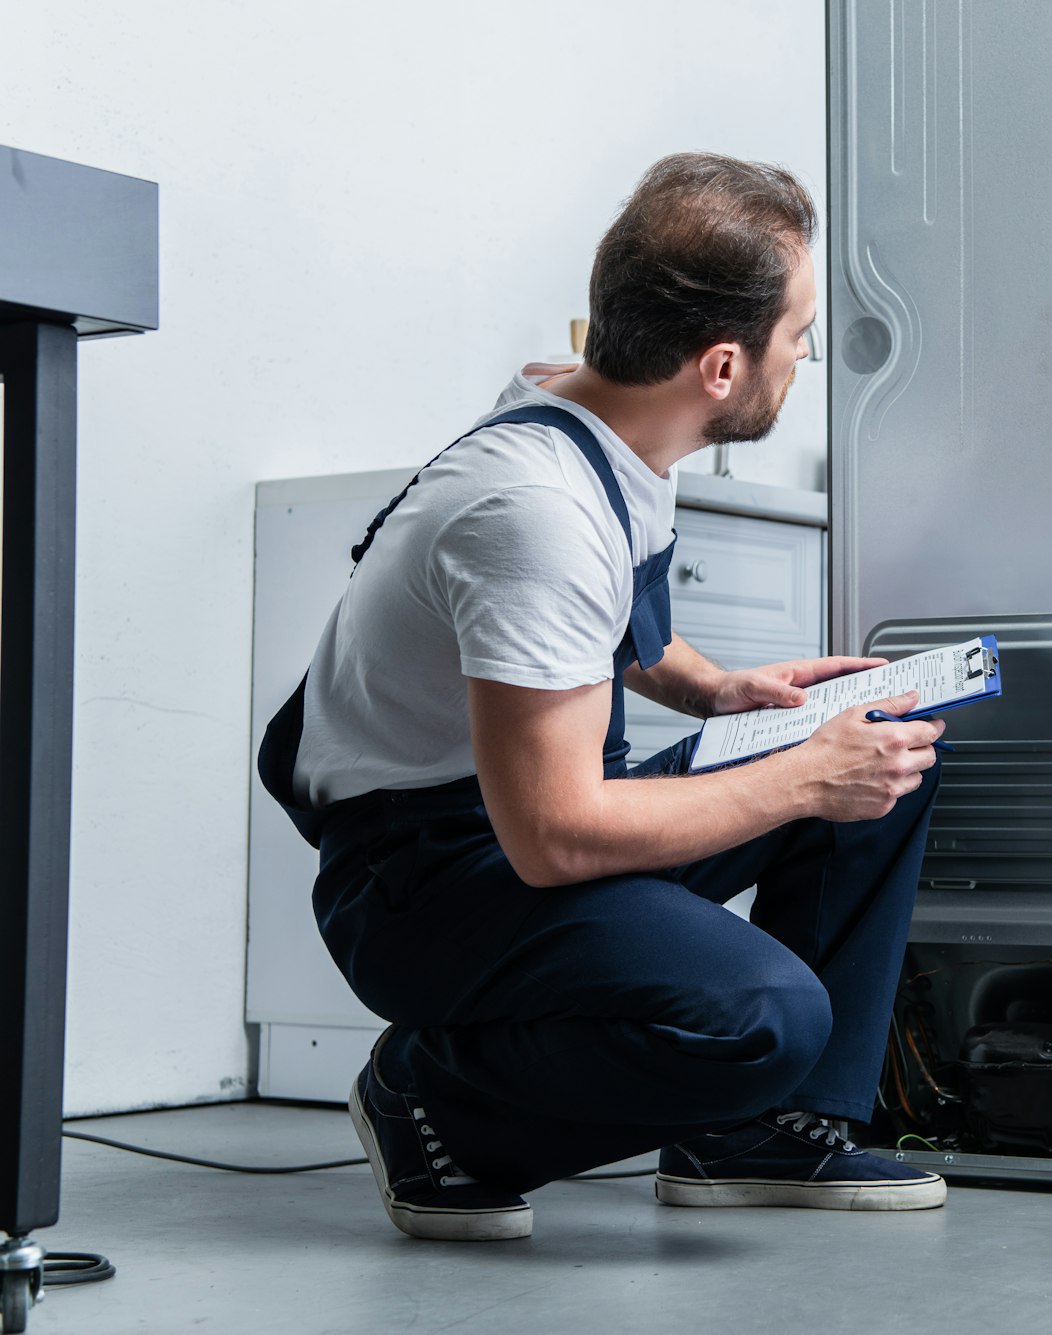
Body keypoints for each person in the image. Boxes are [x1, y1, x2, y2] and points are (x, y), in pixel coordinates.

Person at [256, 152, 948, 1242]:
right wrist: (798, 778)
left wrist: (720, 689)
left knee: (879, 753)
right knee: (762, 1014)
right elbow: (558, 837)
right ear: (721, 366)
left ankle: (761, 1133)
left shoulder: (618, 422)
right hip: (427, 878)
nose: (804, 353)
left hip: (516, 819)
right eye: (799, 335)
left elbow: (601, 626)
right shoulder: (533, 511)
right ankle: (436, 1107)